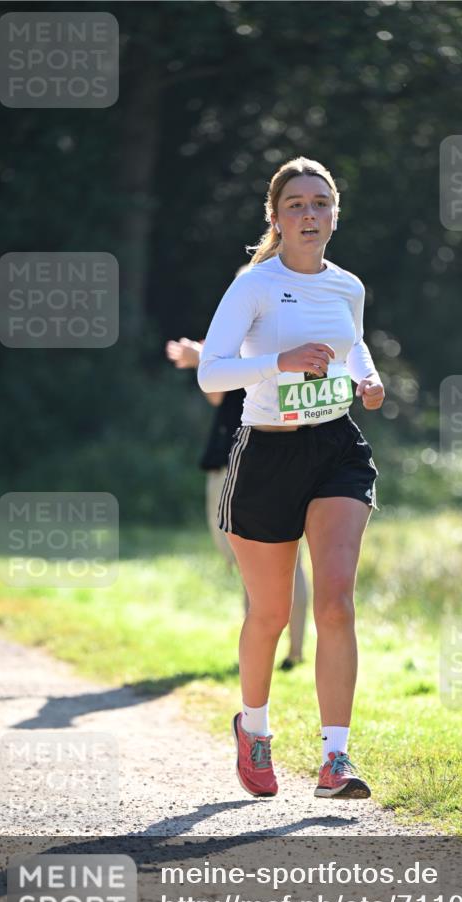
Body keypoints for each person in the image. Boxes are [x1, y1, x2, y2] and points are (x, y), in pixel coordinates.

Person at [198, 156, 385, 800]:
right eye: (296, 205)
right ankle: (253, 729)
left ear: (335, 215)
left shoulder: (348, 286)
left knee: (334, 601)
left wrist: (366, 377)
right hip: (266, 454)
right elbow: (212, 371)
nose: (310, 214)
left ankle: (336, 759)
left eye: (320, 203)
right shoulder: (254, 285)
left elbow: (353, 344)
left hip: (336, 448)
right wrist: (280, 362)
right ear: (276, 217)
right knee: (271, 613)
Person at [165, 335, 307, 670]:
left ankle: (264, 656)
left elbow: (222, 388)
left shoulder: (247, 338)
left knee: (253, 561)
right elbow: (220, 394)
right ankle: (290, 653)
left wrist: (204, 358)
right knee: (287, 560)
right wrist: (205, 359)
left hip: (242, 459)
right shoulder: (292, 333)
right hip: (287, 457)